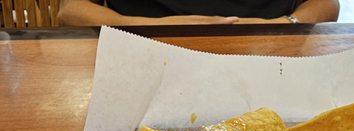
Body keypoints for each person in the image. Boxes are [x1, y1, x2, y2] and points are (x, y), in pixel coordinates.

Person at [57, 0, 339, 26]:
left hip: (268, 52)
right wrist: (149, 26)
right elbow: (71, 9)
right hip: (144, 47)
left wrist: (284, 23)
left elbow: (326, 4)